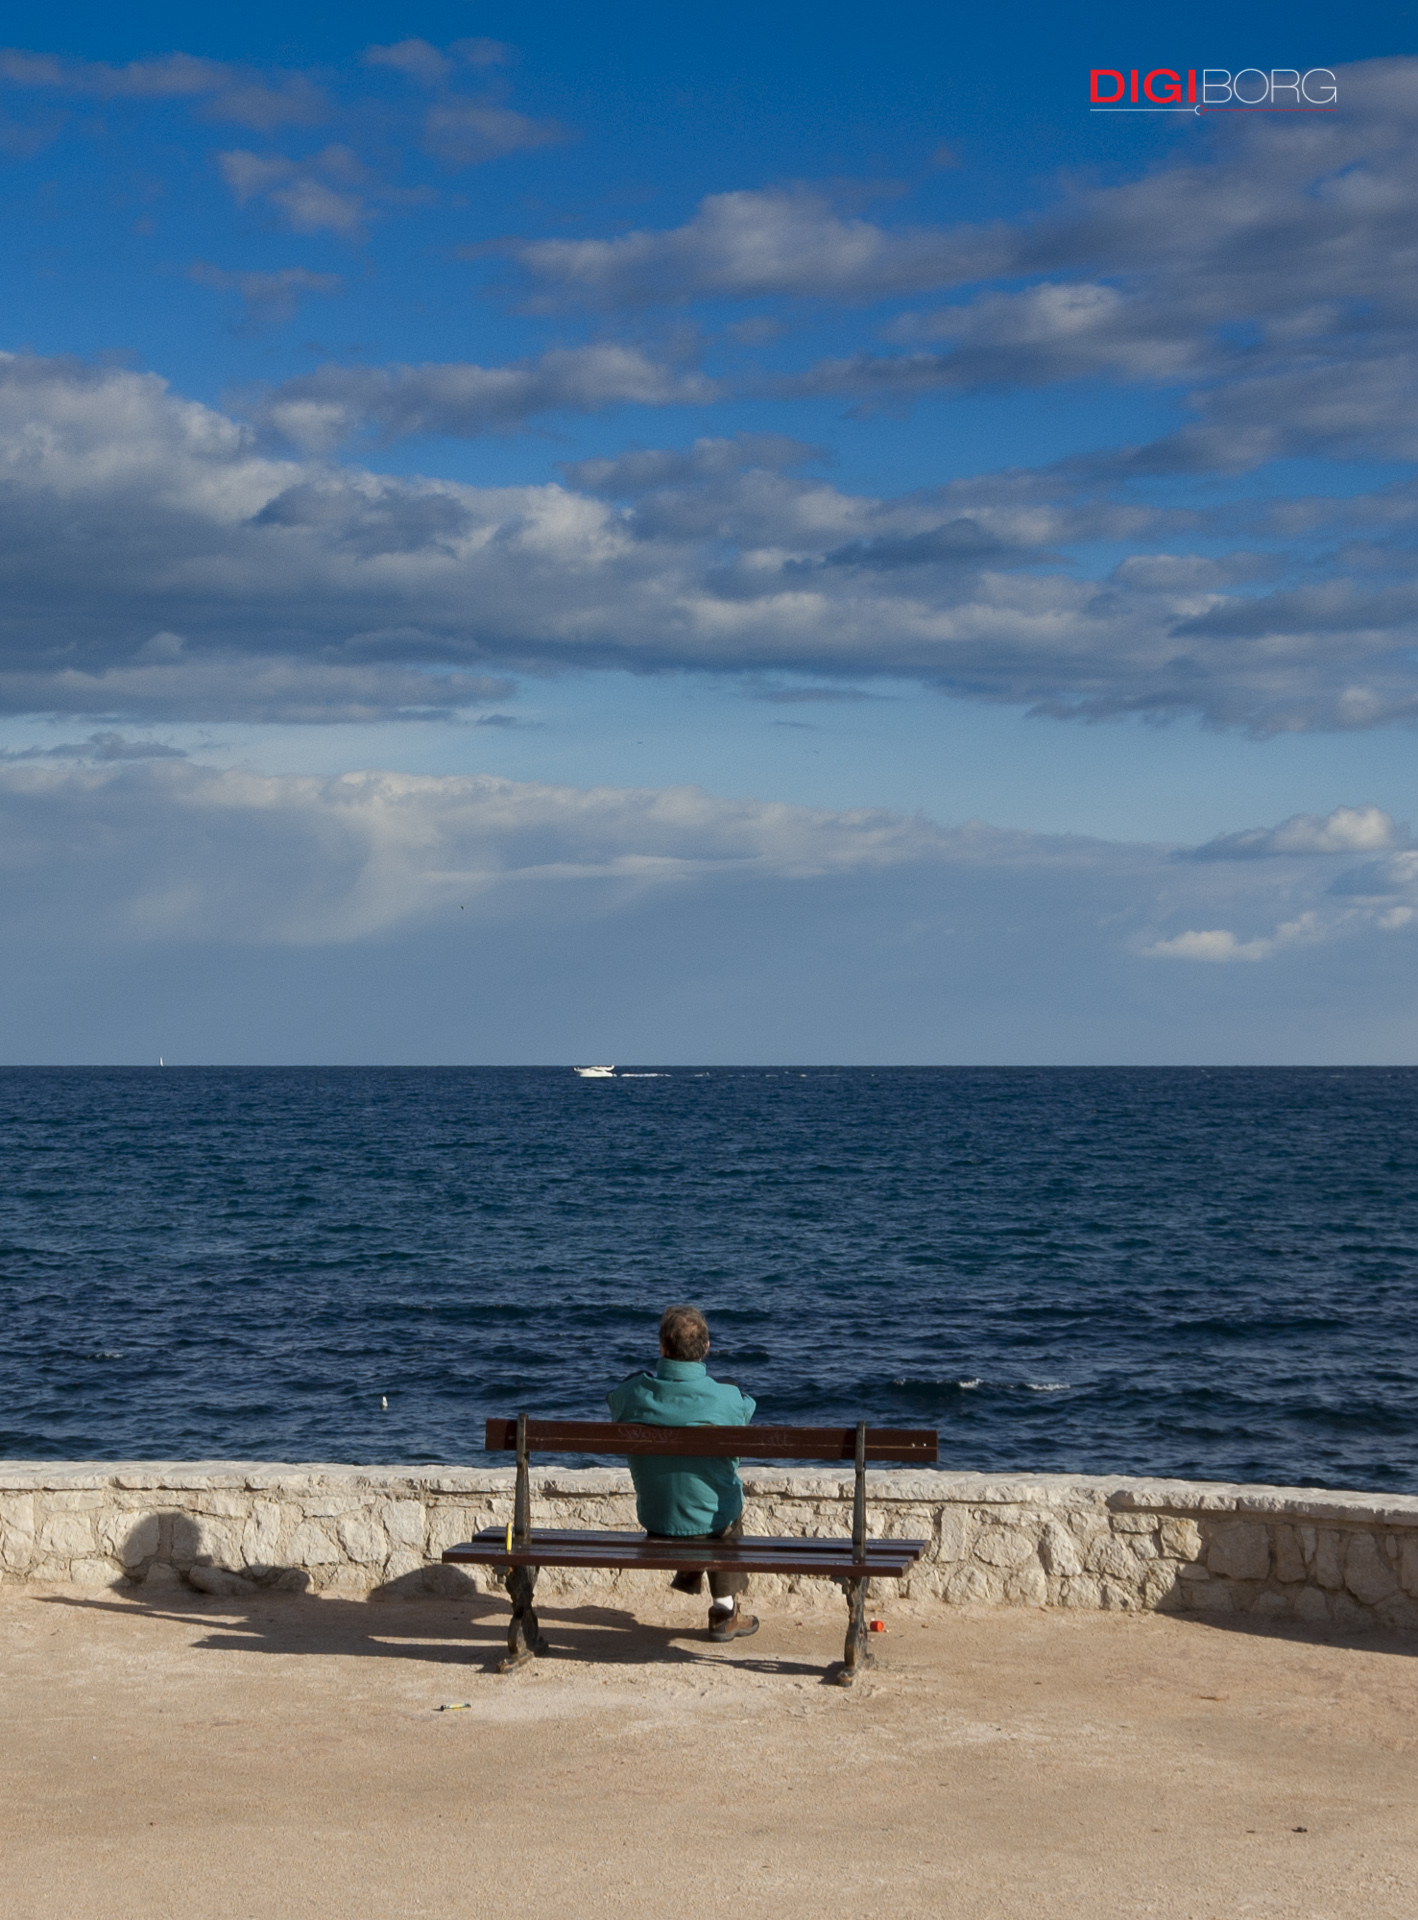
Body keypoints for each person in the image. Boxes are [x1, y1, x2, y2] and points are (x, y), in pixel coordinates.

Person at [607, 1305, 759, 1641]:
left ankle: (691, 1571)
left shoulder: (634, 1393)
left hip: (657, 1518)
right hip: (713, 1523)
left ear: (662, 1348)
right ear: (706, 1349)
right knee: (727, 1509)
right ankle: (723, 1611)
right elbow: (747, 1409)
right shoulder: (728, 1397)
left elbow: (613, 1401)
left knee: (695, 1495)